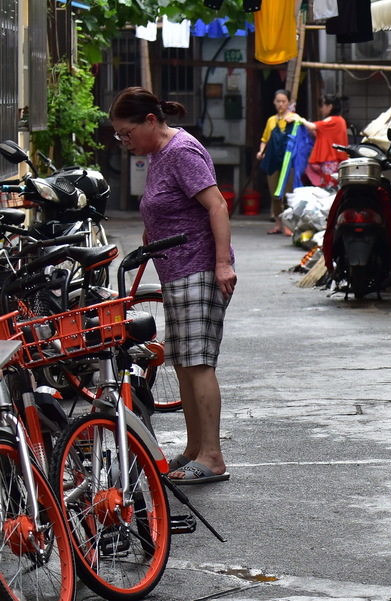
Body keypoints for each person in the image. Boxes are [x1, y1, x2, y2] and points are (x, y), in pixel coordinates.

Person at [109, 86, 237, 485]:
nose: (124, 142)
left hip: (199, 268)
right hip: (176, 271)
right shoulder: (157, 155)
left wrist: (221, 263)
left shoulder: (181, 151)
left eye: (126, 133)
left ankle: (213, 456)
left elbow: (217, 205)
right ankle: (194, 449)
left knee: (197, 362)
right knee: (183, 362)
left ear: (150, 120)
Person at [257, 89, 300, 235]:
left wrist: (296, 120)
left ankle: (289, 225)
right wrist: (260, 151)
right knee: (275, 194)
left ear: (288, 103)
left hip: (288, 163)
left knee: (288, 194)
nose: (281, 104)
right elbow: (265, 140)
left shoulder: (295, 118)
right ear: (274, 102)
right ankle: (278, 224)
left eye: (283, 101)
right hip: (273, 161)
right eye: (278, 101)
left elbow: (302, 136)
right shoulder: (271, 121)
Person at [298, 93, 348, 188]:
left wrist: (302, 120)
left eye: (322, 105)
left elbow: (313, 126)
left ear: (330, 106)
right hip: (336, 160)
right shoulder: (341, 120)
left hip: (330, 160)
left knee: (329, 187)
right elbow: (325, 134)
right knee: (333, 186)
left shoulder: (332, 120)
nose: (321, 109)